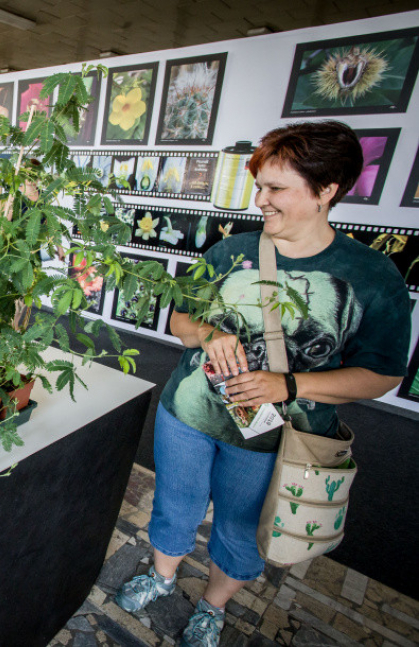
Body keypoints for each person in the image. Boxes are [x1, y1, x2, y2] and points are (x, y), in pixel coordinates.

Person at [114, 120, 411, 647]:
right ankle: (161, 576)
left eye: (276, 189)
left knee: (241, 526)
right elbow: (179, 321)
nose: (260, 201)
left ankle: (213, 606)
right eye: (259, 186)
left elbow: (382, 374)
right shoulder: (231, 253)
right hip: (188, 414)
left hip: (274, 436)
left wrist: (289, 385)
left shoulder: (371, 276)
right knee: (174, 505)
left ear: (326, 191)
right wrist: (207, 333)